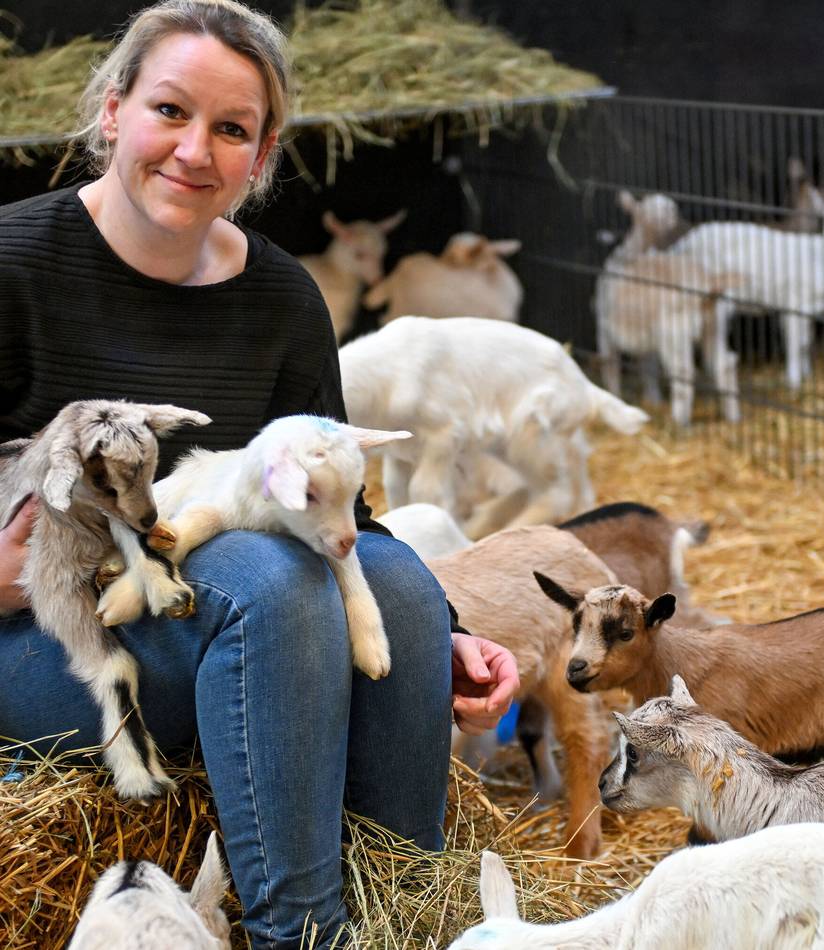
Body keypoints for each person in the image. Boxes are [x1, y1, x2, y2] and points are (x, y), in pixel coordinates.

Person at [0, 2, 520, 947]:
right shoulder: (9, 264)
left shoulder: (283, 296)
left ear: (262, 153)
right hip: (47, 637)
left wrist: (449, 634)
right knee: (273, 581)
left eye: (231, 129)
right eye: (169, 110)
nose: (195, 150)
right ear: (113, 110)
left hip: (210, 617)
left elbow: (347, 511)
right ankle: (305, 933)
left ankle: (413, 915)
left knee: (399, 588)